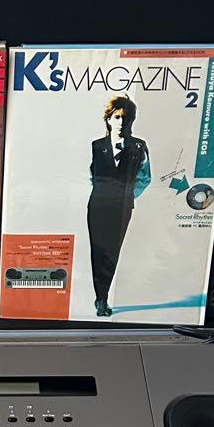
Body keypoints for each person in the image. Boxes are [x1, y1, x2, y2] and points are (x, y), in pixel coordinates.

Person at [88, 95, 151, 316]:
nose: (121, 122)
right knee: (98, 251)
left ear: (132, 120)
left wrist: (126, 196)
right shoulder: (96, 146)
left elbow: (145, 177)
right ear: (108, 119)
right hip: (97, 206)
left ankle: (103, 297)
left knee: (112, 251)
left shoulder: (139, 146)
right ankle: (100, 298)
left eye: (126, 118)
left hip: (121, 207)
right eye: (117, 117)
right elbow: (91, 175)